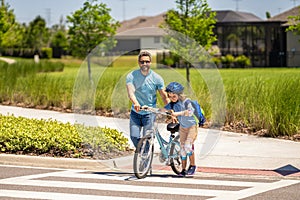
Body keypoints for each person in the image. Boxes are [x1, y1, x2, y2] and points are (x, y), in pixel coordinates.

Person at [126, 50, 169, 148]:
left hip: (149, 113)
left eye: (147, 61)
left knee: (147, 138)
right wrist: (136, 103)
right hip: (135, 112)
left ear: (150, 62)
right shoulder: (131, 76)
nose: (144, 64)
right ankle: (143, 154)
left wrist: (170, 110)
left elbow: (164, 96)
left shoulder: (157, 78)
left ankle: (146, 160)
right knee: (134, 137)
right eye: (142, 62)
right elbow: (131, 93)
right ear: (138, 63)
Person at [164, 82, 198, 176]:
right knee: (182, 149)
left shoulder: (187, 102)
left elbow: (190, 112)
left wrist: (177, 114)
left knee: (187, 146)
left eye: (173, 96)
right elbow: (163, 110)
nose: (171, 98)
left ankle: (192, 166)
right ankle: (183, 169)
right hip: (183, 128)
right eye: (169, 96)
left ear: (179, 94)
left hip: (192, 127)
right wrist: (149, 109)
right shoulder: (172, 104)